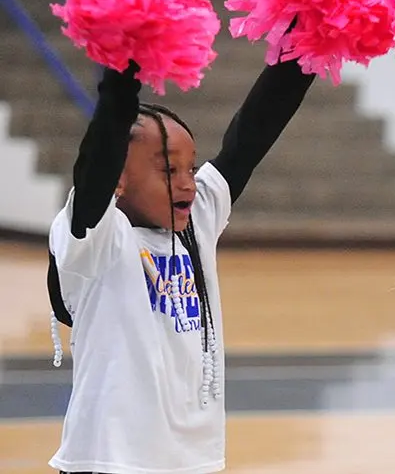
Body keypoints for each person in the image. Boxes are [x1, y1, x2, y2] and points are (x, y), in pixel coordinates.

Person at [45, 57, 317, 473]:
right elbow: (96, 163)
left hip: (193, 463)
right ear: (119, 178)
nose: (188, 182)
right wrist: (123, 70)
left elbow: (252, 133)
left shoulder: (197, 223)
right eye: (169, 169)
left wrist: (304, 48)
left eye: (191, 167)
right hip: (109, 463)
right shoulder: (98, 240)